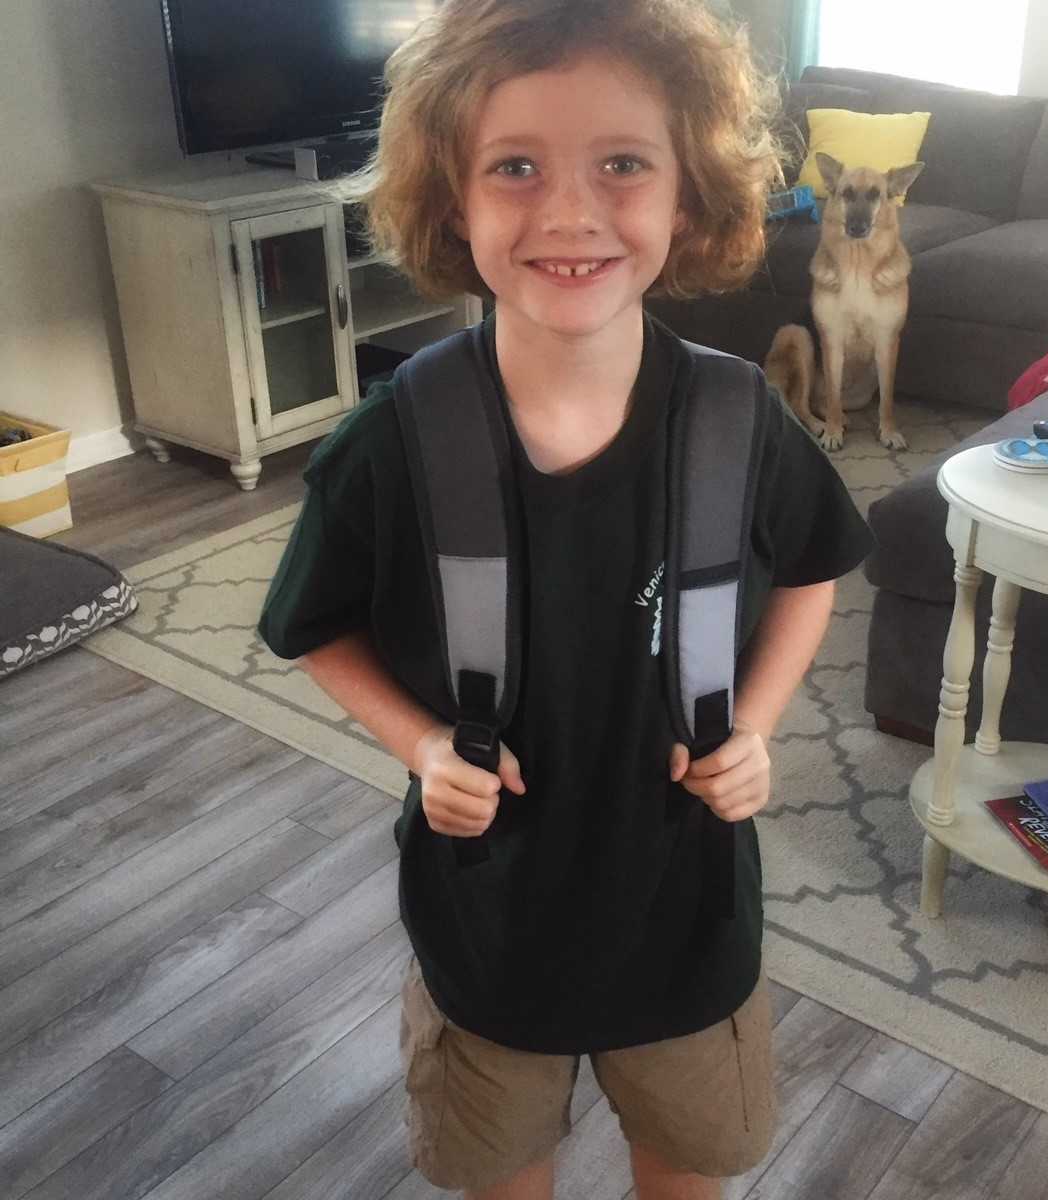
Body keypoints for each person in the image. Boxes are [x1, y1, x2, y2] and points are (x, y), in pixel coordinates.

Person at [258, 1, 874, 1196]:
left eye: (624, 164)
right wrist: (424, 741)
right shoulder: (392, 444)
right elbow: (314, 625)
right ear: (453, 202)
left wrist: (754, 724)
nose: (571, 211)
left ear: (688, 198)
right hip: (488, 933)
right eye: (517, 167)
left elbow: (811, 569)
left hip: (687, 925)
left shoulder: (740, 421)